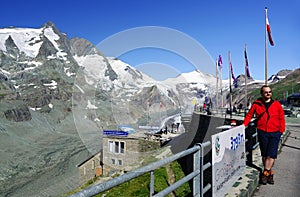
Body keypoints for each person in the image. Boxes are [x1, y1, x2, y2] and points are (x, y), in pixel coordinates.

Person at [243, 85, 285, 185]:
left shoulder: (277, 104)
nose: (268, 93)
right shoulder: (256, 104)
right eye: (266, 92)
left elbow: (281, 117)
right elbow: (249, 115)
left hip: (275, 132)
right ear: (262, 93)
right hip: (262, 131)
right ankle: (269, 173)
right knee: (265, 154)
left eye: (270, 92)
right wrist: (244, 125)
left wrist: (281, 130)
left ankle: (265, 174)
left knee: (272, 154)